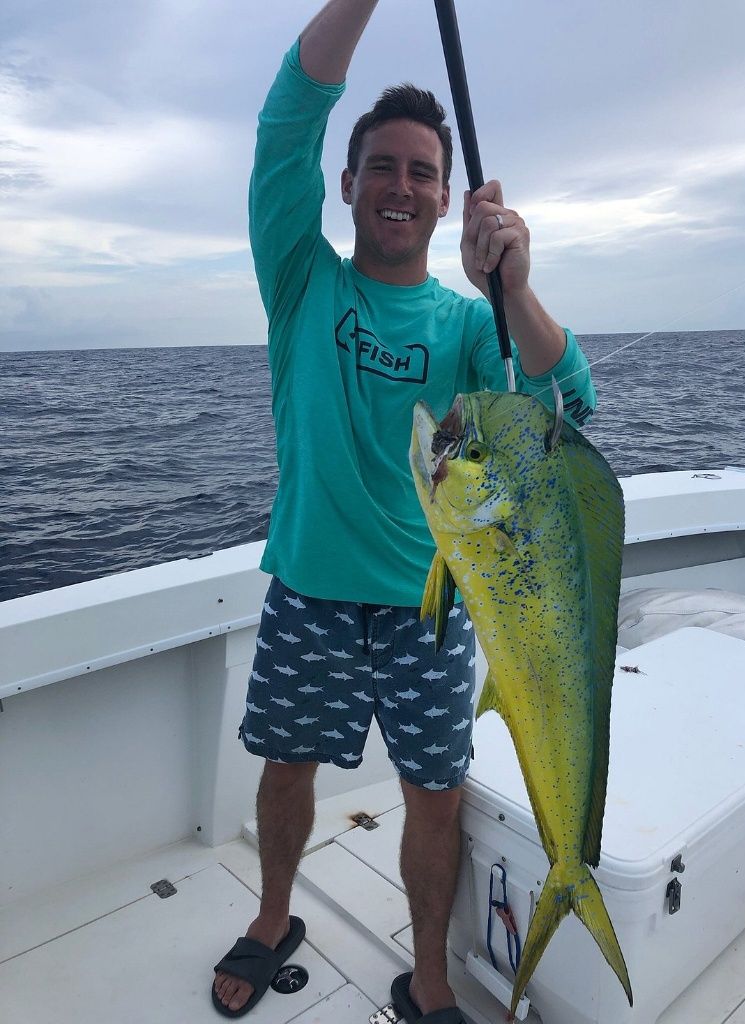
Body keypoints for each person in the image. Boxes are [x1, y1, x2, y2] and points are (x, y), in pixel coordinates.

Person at [212, 0, 597, 1019]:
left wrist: (513, 283)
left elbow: (568, 402)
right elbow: (286, 118)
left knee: (435, 795)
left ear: (443, 199)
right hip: (308, 589)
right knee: (285, 766)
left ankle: (427, 971)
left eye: (421, 172)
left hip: (431, 605)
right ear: (344, 184)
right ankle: (272, 916)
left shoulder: (469, 324)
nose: (399, 186)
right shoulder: (300, 278)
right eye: (379, 166)